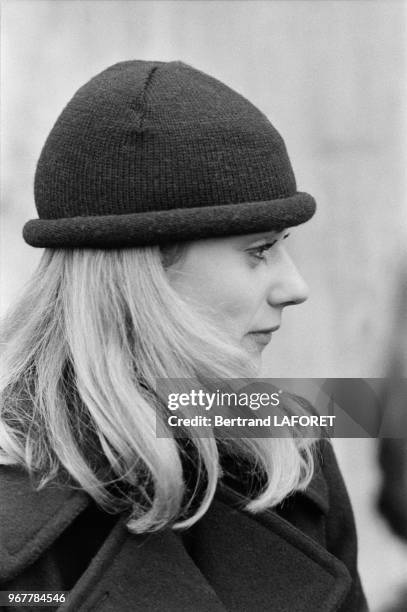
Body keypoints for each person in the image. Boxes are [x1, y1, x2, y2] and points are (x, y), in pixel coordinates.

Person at [0, 60, 367, 611]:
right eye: (259, 250)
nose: (296, 287)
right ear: (145, 275)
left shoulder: (294, 443)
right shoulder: (20, 517)